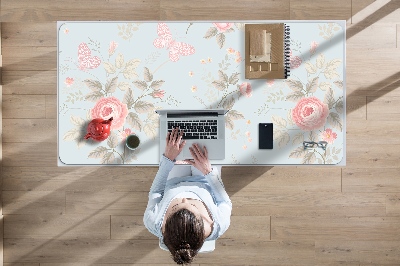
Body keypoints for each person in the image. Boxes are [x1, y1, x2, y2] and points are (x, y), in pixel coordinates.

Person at [144, 127, 232, 264]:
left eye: (176, 206)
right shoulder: (220, 224)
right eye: (192, 205)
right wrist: (208, 171)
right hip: (205, 180)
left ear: (165, 224)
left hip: (173, 181)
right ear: (204, 222)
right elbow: (224, 202)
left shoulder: (153, 222)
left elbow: (156, 192)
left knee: (173, 143)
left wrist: (168, 159)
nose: (184, 198)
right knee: (209, 138)